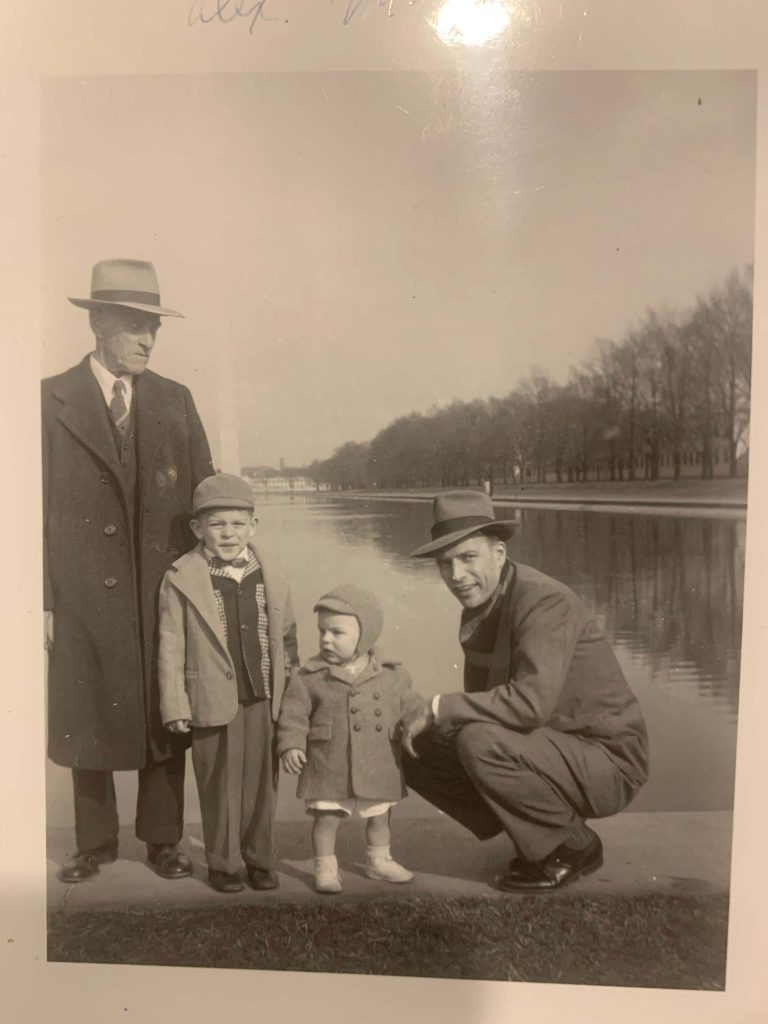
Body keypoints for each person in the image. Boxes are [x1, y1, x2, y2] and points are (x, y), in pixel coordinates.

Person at [42, 258, 213, 883]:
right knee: (84, 708)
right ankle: (94, 842)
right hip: (80, 595)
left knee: (167, 705)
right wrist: (41, 600)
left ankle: (164, 839)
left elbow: (205, 497)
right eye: (134, 326)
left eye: (154, 329)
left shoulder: (175, 400)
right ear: (98, 325)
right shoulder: (46, 399)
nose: (147, 340)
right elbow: (21, 509)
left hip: (164, 592)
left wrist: (209, 585)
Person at [398, 490, 649, 893]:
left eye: (467, 557)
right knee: (412, 739)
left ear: (499, 553)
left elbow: (529, 705)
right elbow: (490, 705)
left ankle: (573, 845)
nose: (456, 575)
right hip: (555, 749)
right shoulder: (488, 600)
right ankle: (537, 829)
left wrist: (437, 706)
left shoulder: (542, 600)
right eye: (445, 563)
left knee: (478, 739)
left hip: (609, 761)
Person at [157, 473, 299, 892]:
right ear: (198, 529)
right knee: (218, 784)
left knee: (261, 785)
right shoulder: (180, 577)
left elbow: (288, 639)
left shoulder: (273, 573)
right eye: (217, 525)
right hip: (210, 699)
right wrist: (175, 704)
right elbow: (170, 646)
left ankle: (259, 858)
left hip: (262, 696)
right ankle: (223, 861)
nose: (229, 534)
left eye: (238, 524)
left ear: (253, 526)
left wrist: (291, 699)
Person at [277, 585, 419, 894]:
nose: (326, 639)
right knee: (326, 818)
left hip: (378, 759)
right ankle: (325, 866)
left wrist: (417, 723)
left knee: (380, 815)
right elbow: (293, 714)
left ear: (365, 635)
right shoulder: (309, 677)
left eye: (337, 633)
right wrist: (291, 744)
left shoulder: (391, 674)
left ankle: (379, 861)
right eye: (322, 632)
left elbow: (410, 705)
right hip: (329, 761)